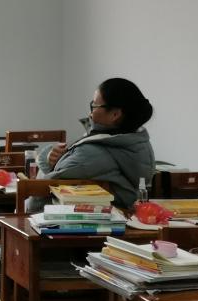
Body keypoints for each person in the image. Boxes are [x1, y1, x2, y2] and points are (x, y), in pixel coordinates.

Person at [35, 77, 155, 209]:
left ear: (115, 114)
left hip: (57, 220)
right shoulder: (139, 144)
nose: (90, 113)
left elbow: (39, 188)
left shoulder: (89, 154)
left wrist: (46, 160)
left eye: (94, 106)